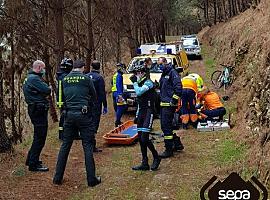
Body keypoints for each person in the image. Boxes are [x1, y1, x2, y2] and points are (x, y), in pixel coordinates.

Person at [53, 60, 101, 187]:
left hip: (68, 115)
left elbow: (60, 99)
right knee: (87, 146)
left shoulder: (64, 80)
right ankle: (91, 179)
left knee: (65, 146)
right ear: (82, 68)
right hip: (84, 115)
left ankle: (57, 177)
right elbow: (94, 97)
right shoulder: (86, 79)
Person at [130, 65, 161, 171]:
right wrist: (137, 115)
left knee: (144, 137)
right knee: (140, 138)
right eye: (134, 73)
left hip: (149, 111)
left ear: (142, 73)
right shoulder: (139, 83)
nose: (135, 75)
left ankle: (156, 157)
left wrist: (134, 82)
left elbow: (139, 92)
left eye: (136, 73)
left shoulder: (148, 82)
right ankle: (144, 162)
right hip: (142, 112)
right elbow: (139, 101)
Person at [23, 60, 51, 172]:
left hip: (35, 108)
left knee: (37, 136)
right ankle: (33, 165)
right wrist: (45, 89)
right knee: (40, 137)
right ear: (39, 67)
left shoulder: (29, 77)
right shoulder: (34, 79)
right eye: (43, 68)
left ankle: (31, 159)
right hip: (38, 109)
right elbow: (47, 90)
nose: (43, 71)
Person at [158, 57, 184, 158]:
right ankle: (177, 144)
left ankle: (169, 150)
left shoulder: (172, 73)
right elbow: (166, 87)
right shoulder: (164, 74)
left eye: (160, 64)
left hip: (169, 105)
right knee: (166, 126)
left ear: (165, 63)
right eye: (158, 64)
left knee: (166, 127)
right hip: (163, 104)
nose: (159, 66)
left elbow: (178, 87)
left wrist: (173, 100)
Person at [86, 60, 108, 152]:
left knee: (88, 123)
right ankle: (91, 145)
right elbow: (102, 93)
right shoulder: (99, 78)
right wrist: (105, 105)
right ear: (99, 67)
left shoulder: (86, 76)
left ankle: (88, 144)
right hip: (96, 104)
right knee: (94, 124)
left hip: (87, 103)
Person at [56, 58, 73, 140]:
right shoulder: (63, 76)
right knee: (64, 118)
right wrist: (61, 102)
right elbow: (60, 90)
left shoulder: (62, 75)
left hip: (63, 100)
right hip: (63, 101)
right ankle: (62, 135)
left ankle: (66, 134)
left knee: (65, 117)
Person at [111, 63, 126, 127]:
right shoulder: (119, 76)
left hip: (114, 92)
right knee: (121, 107)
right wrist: (120, 95)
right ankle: (117, 121)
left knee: (118, 107)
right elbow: (118, 85)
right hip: (118, 93)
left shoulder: (115, 75)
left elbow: (112, 83)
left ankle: (118, 120)